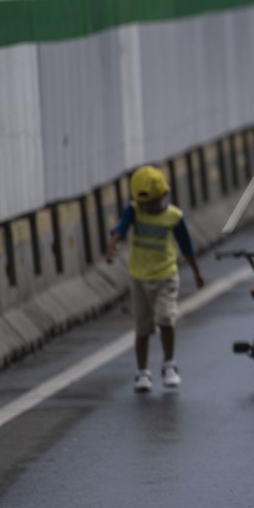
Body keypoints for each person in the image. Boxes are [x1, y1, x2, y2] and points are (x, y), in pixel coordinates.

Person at [105, 165, 205, 393]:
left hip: (166, 276)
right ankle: (142, 373)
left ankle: (169, 364)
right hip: (139, 277)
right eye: (143, 204)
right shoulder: (133, 211)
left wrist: (197, 272)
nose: (148, 208)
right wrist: (112, 246)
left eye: (152, 203)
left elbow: (186, 246)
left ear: (164, 196)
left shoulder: (174, 217)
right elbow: (120, 228)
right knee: (142, 328)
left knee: (165, 319)